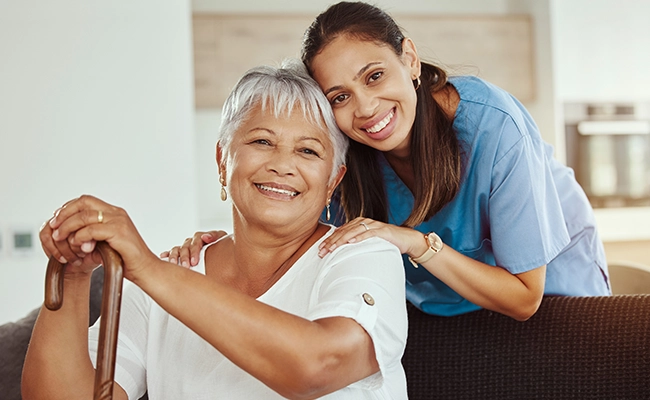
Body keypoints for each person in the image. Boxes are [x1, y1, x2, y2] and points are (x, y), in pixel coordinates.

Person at [164, 1, 611, 322]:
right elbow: (296, 238)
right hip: (439, 310)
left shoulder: (494, 127)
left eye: (374, 76)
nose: (366, 108)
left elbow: (523, 298)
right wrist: (221, 251)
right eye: (340, 96)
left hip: (551, 296)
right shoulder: (344, 152)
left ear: (409, 60)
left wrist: (416, 243)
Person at [22, 60, 409, 400]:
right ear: (223, 160)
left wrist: (151, 270)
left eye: (308, 151)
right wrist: (71, 277)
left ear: (333, 181)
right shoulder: (161, 280)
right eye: (262, 141)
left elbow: (315, 368)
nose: (282, 165)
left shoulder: (365, 255)